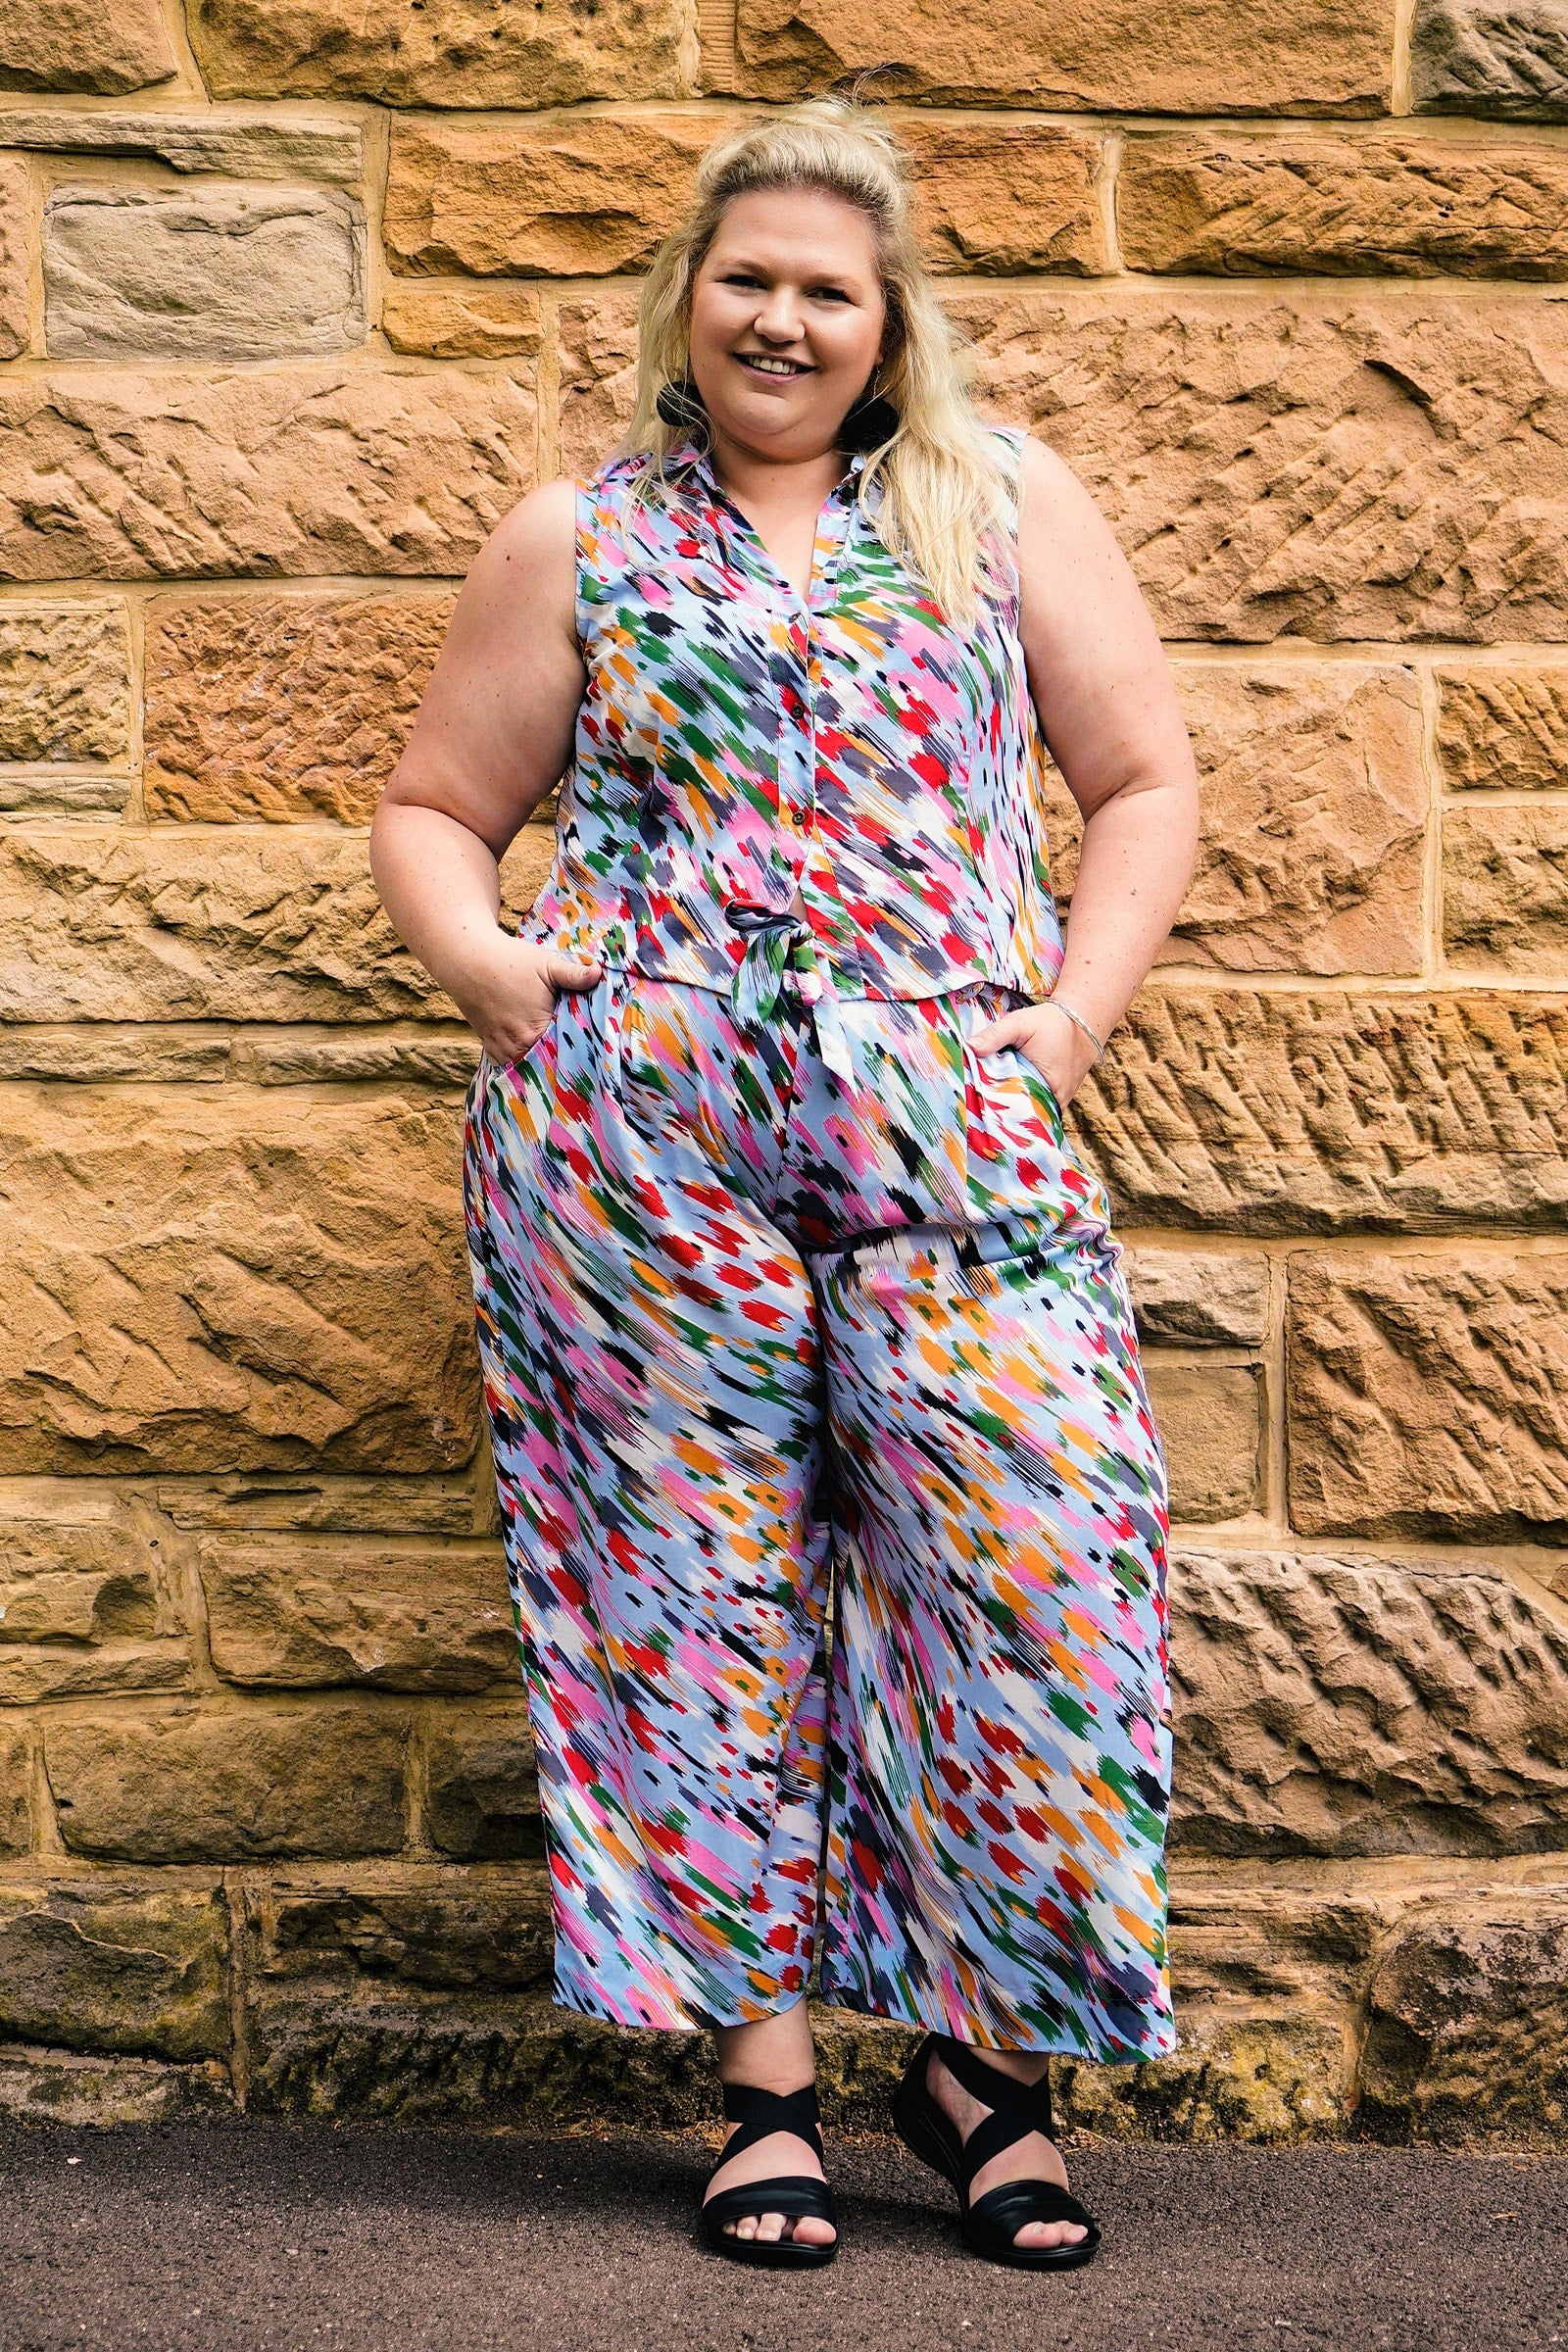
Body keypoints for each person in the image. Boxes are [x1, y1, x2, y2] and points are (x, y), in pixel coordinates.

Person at [370, 96, 1199, 2277]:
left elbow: (1138, 778)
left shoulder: (999, 506)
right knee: (693, 1592)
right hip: (636, 1146)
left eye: (827, 288)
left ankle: (982, 2071)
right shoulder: (577, 535)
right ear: (687, 297)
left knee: (1031, 1572)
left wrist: (1069, 1021)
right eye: (745, 277)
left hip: (949, 1116)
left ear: (887, 321)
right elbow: (437, 805)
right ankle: (763, 2087)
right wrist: (495, 976)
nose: (781, 318)